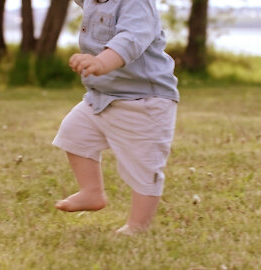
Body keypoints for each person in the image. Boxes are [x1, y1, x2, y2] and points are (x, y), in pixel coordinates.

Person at [52, 0, 179, 235]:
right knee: (74, 133)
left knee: (144, 166)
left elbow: (130, 38)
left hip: (144, 102)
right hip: (102, 97)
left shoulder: (137, 4)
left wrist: (101, 61)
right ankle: (91, 191)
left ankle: (137, 226)